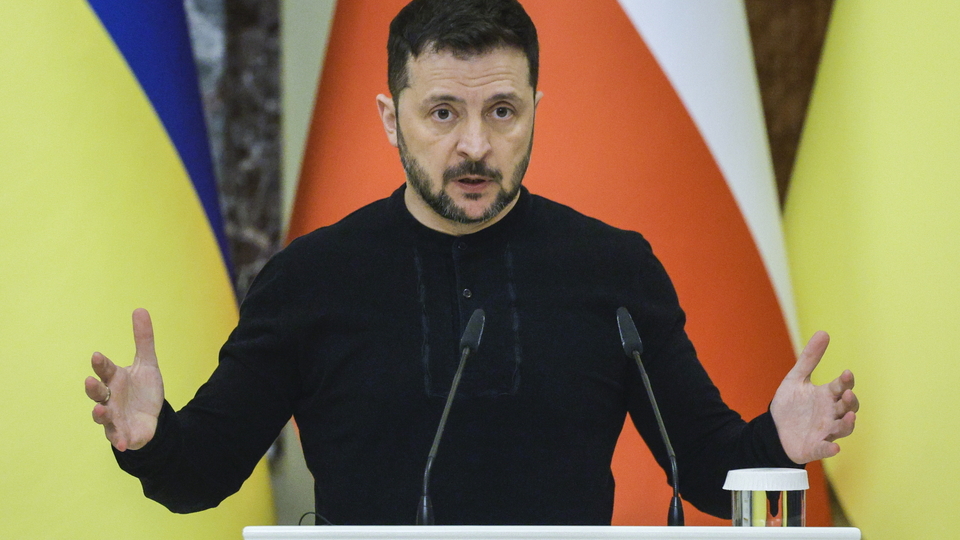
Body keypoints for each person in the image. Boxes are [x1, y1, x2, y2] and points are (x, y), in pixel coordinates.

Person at [85, 0, 858, 526]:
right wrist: (150, 438)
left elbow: (708, 466)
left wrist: (777, 443)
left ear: (535, 112)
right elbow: (201, 475)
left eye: (502, 112)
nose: (476, 146)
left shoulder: (613, 270)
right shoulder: (310, 280)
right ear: (392, 119)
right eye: (443, 113)